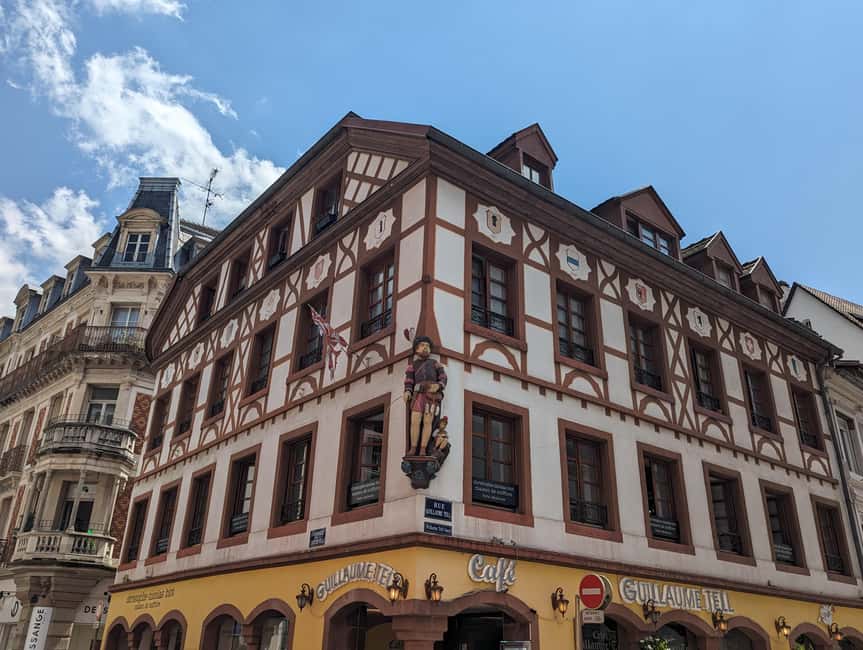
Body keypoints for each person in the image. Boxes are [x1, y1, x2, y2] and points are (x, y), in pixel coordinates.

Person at [403, 336, 447, 456]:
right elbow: (409, 380)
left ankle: (423, 448)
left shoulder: (435, 363)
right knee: (415, 421)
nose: (425, 348)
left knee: (428, 422)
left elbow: (443, 377)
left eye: (427, 346)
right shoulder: (413, 365)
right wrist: (407, 391)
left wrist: (439, 386)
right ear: (416, 349)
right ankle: (413, 447)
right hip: (418, 395)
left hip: (431, 396)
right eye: (422, 345)